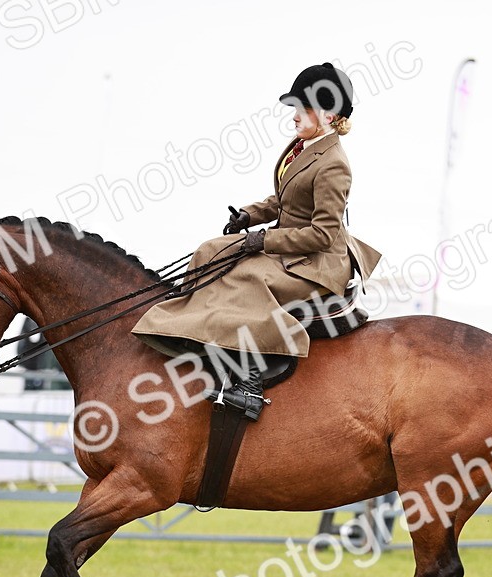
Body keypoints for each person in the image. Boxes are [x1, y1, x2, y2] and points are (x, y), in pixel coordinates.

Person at [131, 62, 382, 420]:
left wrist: (263, 240)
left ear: (327, 115)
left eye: (302, 109)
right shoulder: (303, 147)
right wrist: (249, 216)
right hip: (289, 246)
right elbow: (284, 201)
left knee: (248, 279)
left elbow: (322, 234)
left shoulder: (334, 164)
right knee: (210, 250)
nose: (294, 117)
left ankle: (248, 381)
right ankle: (199, 332)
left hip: (318, 264)